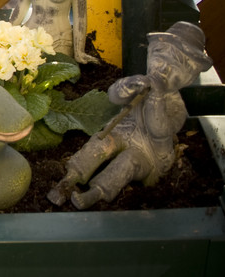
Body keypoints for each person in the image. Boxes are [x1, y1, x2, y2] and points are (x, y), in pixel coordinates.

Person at [46, 22, 213, 210]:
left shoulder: (176, 107)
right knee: (101, 141)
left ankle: (96, 193)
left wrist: (156, 98)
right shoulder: (141, 82)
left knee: (128, 160)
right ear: (150, 54)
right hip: (122, 132)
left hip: (149, 154)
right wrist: (128, 85)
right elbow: (114, 96)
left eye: (174, 66)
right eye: (160, 59)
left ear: (188, 77)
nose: (163, 69)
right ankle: (69, 179)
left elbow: (157, 130)